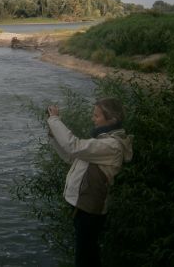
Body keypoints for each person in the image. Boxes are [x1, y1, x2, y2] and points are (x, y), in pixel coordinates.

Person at [46, 98, 133, 267]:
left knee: (85, 258)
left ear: (112, 120)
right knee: (89, 255)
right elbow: (71, 157)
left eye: (97, 116)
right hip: (84, 206)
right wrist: (53, 135)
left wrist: (54, 120)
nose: (93, 119)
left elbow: (74, 147)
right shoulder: (103, 140)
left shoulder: (112, 145)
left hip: (89, 209)